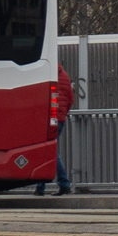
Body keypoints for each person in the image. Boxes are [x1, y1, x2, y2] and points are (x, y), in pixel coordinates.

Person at [37, 63, 74, 195]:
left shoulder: (47, 75)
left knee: (48, 151)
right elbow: (71, 99)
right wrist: (62, 114)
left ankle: (63, 183)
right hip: (60, 119)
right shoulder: (64, 76)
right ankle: (40, 187)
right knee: (47, 150)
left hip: (48, 119)